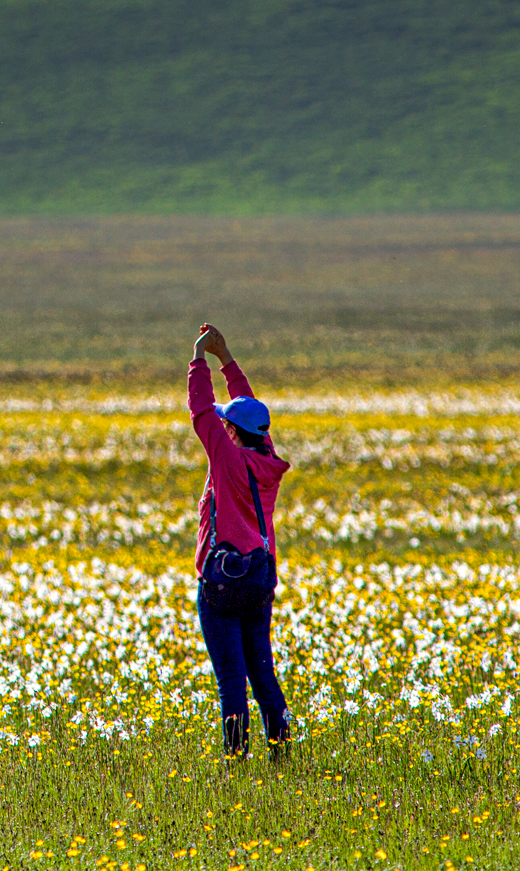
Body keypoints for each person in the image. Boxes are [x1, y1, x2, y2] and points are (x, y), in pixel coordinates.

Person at [189, 322, 292, 761]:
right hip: (259, 581)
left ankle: (236, 760)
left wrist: (199, 358)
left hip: (222, 583)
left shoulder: (227, 459)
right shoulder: (268, 459)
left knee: (231, 681)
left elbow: (200, 412)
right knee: (263, 675)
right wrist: (226, 359)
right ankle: (282, 753)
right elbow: (250, 411)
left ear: (231, 431)